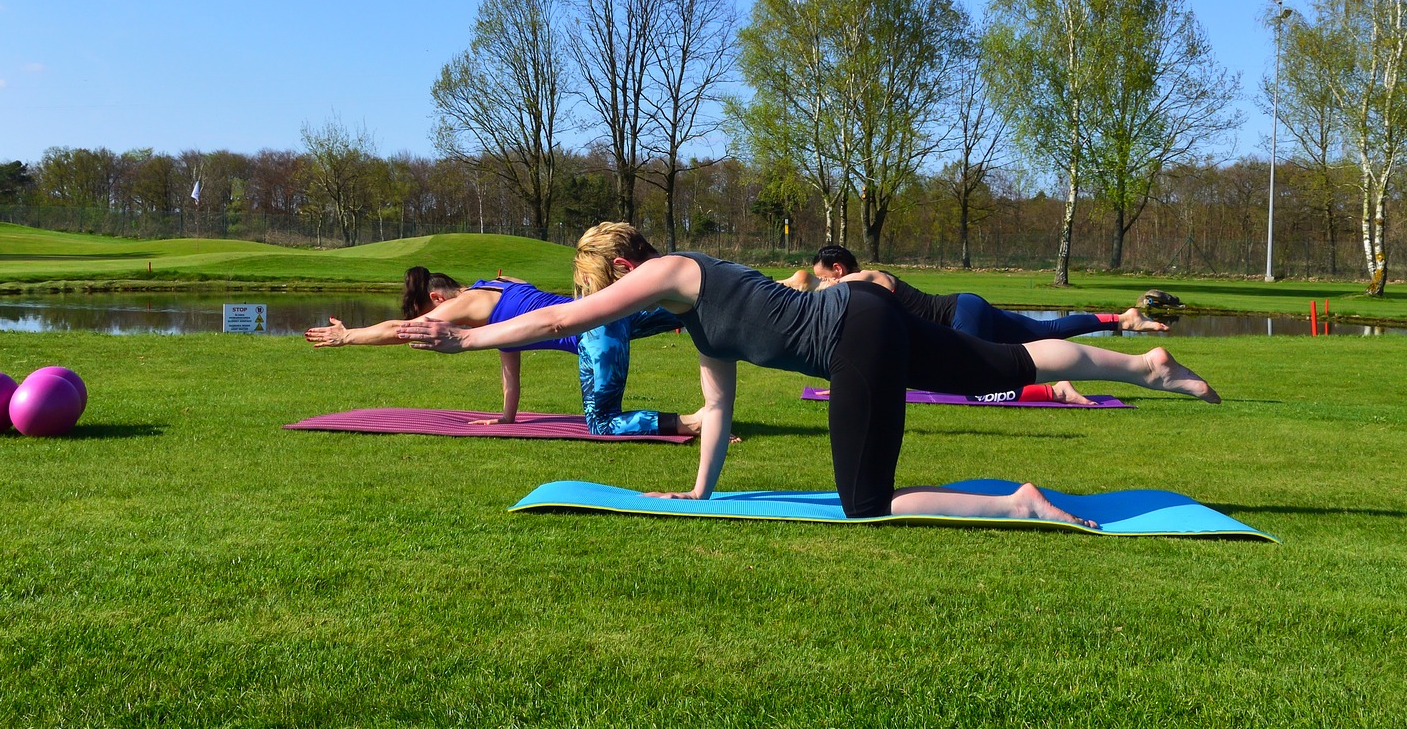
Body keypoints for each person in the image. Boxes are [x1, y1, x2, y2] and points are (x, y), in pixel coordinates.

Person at [398, 224, 1221, 527]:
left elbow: (558, 321)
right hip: (865, 321)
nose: (605, 298)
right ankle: (1149, 363)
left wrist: (463, 344)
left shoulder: (673, 270)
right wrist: (701, 491)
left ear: (621, 263)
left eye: (605, 282)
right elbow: (715, 405)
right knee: (1003, 367)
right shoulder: (699, 310)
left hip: (853, 333)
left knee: (867, 502)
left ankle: (1020, 502)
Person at [305, 265, 701, 436]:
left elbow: (399, 330)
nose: (434, 328)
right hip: (609, 310)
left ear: (438, 298)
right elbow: (510, 359)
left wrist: (348, 336)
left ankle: (694, 423)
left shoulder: (464, 304)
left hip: (594, 334)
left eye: (433, 315)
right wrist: (507, 417)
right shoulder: (499, 290)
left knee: (601, 423)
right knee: (691, 307)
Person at [793, 244, 1168, 341]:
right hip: (967, 306)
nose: (825, 284)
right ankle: (1123, 319)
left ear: (838, 270)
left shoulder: (867, 277)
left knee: (974, 380)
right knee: (1045, 332)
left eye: (825, 277)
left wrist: (816, 288)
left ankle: (1059, 388)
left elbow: (857, 288)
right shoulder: (857, 287)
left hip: (960, 315)